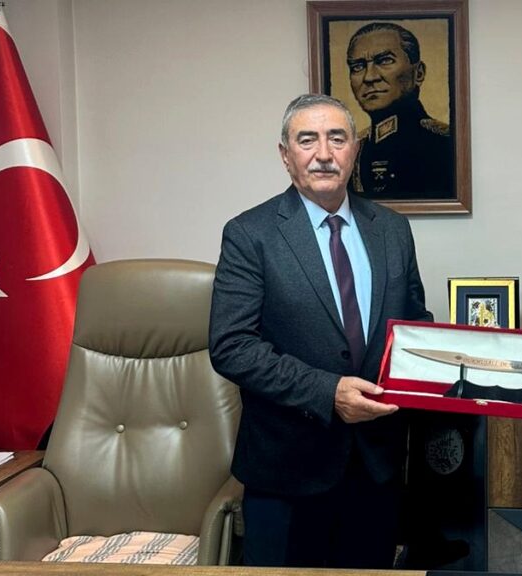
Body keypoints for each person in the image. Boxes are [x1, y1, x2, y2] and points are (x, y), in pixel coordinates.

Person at [208, 93, 432, 568]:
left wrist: (460, 368)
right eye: (307, 140)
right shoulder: (250, 234)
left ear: (356, 148)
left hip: (375, 468)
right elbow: (232, 346)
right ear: (285, 155)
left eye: (337, 138)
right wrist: (328, 393)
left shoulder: (392, 229)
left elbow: (414, 326)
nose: (324, 154)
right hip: (287, 475)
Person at [346, 22, 453, 200]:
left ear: (418, 73)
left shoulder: (446, 144)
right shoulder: (352, 151)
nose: (369, 77)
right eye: (358, 67)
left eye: (385, 61)